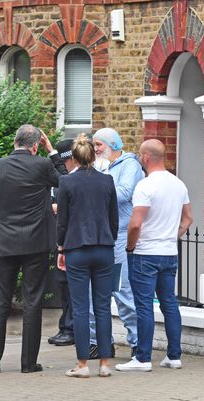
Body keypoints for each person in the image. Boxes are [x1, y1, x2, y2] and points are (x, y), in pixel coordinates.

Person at [0, 124, 65, 374]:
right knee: (33, 300)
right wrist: (53, 153)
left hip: (5, 242)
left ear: (15, 141)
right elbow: (66, 182)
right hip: (36, 243)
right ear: (36, 145)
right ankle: (28, 362)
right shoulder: (41, 165)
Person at [116, 139, 192, 372]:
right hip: (169, 253)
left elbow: (135, 224)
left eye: (140, 155)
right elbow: (188, 219)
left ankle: (143, 358)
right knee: (170, 304)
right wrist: (172, 236)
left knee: (144, 306)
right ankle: (174, 356)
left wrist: (130, 247)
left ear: (146, 157)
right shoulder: (179, 184)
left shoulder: (145, 186)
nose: (139, 159)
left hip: (145, 253)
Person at [56, 136, 118, 378]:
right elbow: (114, 219)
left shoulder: (66, 183)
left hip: (76, 248)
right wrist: (108, 238)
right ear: (94, 156)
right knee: (102, 307)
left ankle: (83, 364)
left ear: (74, 158)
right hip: (104, 248)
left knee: (80, 308)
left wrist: (61, 248)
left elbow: (62, 222)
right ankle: (104, 363)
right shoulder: (107, 181)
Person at [89, 128, 143, 358]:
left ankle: (138, 343)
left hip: (119, 237)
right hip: (99, 236)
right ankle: (99, 342)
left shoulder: (129, 165)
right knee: (96, 293)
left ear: (112, 144)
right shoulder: (100, 166)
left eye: (99, 145)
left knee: (123, 293)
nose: (95, 149)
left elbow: (123, 193)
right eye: (94, 145)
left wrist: (98, 184)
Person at [47, 138, 78, 347]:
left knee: (71, 287)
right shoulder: (62, 178)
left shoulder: (72, 179)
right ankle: (65, 326)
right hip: (60, 240)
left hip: (70, 242)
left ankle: (70, 328)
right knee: (63, 286)